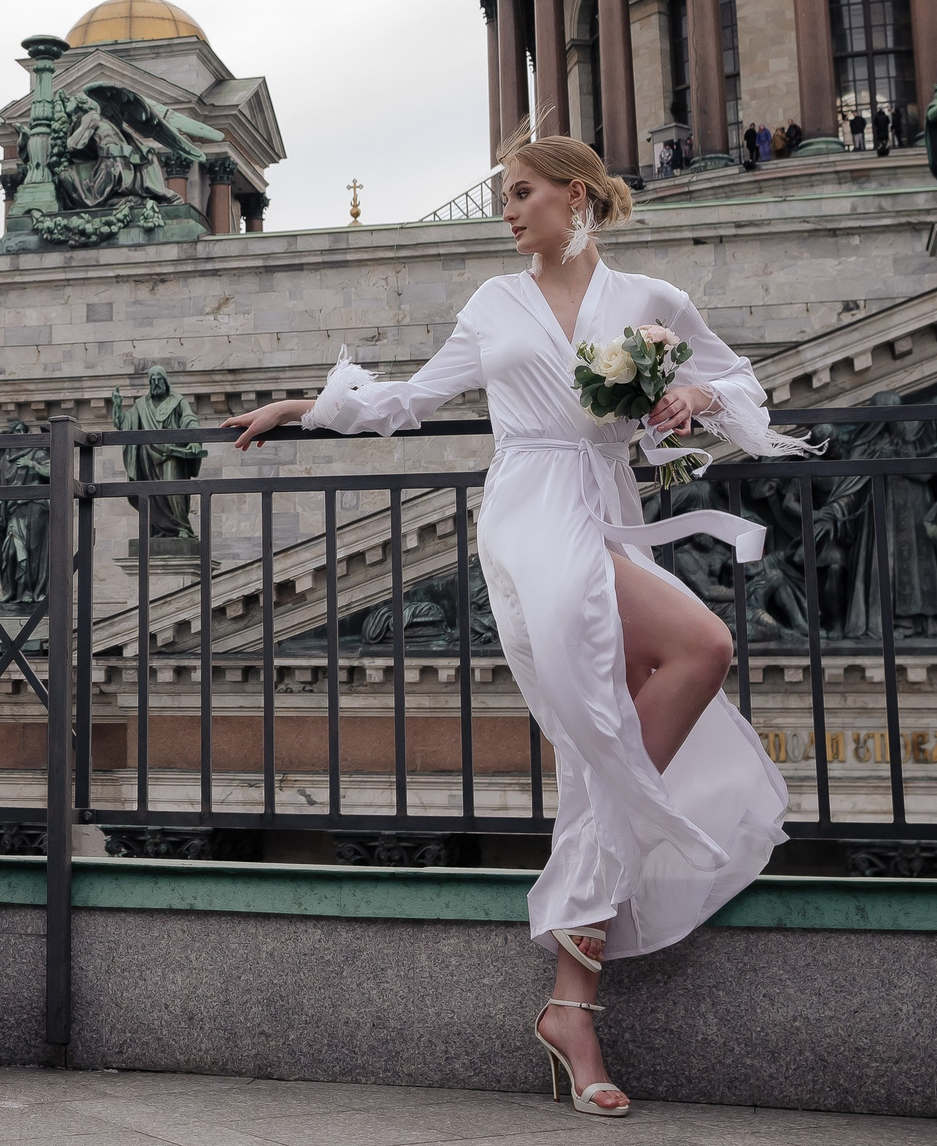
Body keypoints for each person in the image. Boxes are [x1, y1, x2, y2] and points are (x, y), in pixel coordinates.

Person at [223, 137, 813, 1118]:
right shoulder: (492, 305)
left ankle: (571, 1000)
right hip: (529, 510)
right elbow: (409, 399)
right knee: (625, 699)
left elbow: (739, 385)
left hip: (605, 508)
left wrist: (690, 396)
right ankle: (578, 979)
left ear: (572, 196)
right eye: (504, 194)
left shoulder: (651, 300)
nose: (506, 208)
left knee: (676, 675)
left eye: (521, 191)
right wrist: (304, 405)